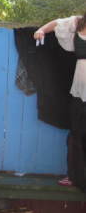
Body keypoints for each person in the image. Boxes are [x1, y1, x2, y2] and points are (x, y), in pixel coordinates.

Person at [34, 12, 86, 191]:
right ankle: (75, 176)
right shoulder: (77, 23)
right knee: (77, 133)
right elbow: (57, 23)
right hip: (80, 91)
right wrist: (41, 30)